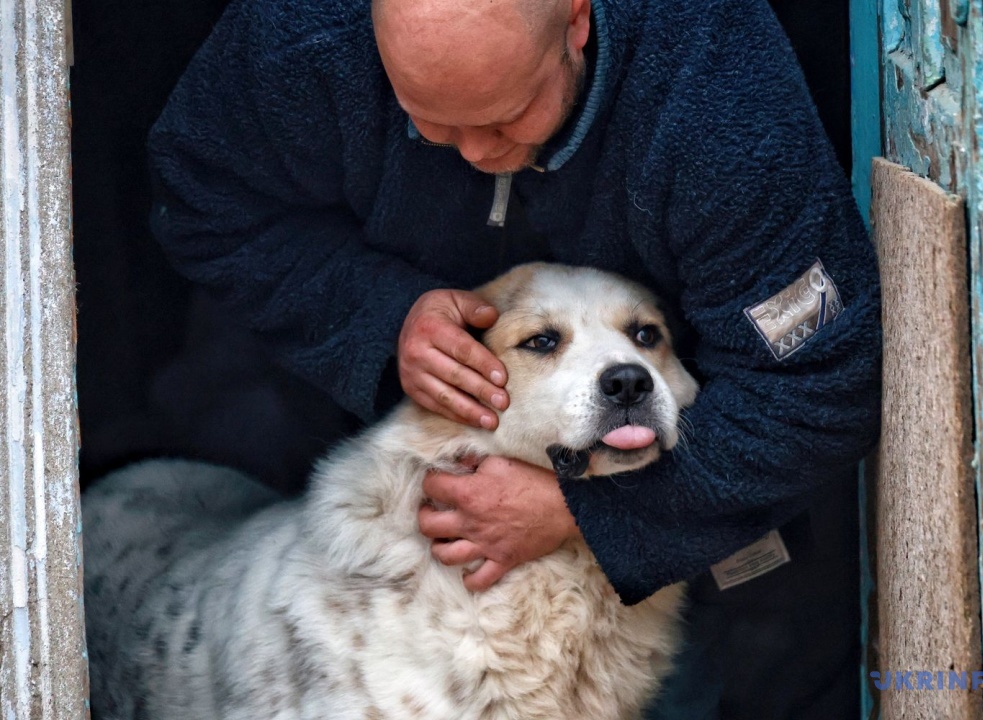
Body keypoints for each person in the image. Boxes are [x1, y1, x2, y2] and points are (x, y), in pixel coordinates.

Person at [147, 0, 882, 716]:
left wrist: (584, 510)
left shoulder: (717, 96)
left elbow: (822, 381)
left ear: (577, 19)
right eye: (428, 120)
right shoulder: (300, 32)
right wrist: (380, 315)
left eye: (507, 115)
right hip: (378, 486)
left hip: (705, 484)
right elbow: (200, 194)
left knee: (750, 667)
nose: (474, 152)